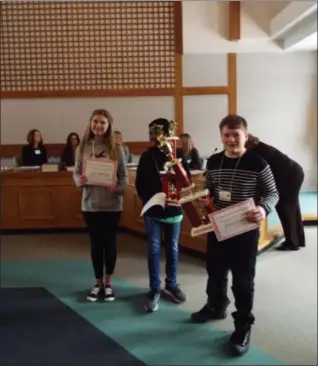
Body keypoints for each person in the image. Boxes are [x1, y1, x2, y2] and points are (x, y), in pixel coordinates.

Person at [190, 115, 279, 356]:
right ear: (221, 136)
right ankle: (216, 306)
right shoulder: (214, 161)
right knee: (215, 272)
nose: (231, 139)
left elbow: (272, 193)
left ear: (245, 136)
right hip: (218, 227)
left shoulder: (258, 162)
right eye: (226, 134)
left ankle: (243, 326)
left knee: (243, 281)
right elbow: (211, 188)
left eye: (236, 134)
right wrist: (203, 198)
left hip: (245, 230)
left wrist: (262, 208)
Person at [73, 109, 128, 302]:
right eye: (95, 121)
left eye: (103, 122)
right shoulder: (82, 147)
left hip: (112, 206)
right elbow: (76, 173)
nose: (98, 125)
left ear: (109, 125)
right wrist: (80, 180)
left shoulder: (117, 149)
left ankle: (109, 283)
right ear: (90, 124)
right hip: (90, 205)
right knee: (96, 246)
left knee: (110, 245)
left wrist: (117, 189)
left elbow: (124, 178)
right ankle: (97, 283)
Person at [135, 118, 188, 313]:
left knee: (173, 248)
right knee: (154, 248)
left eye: (155, 132)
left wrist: (176, 196)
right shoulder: (147, 156)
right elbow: (140, 183)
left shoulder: (178, 154)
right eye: (150, 132)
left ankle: (172, 284)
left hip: (174, 209)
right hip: (153, 209)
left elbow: (186, 180)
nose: (151, 136)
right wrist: (152, 199)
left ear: (166, 133)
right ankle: (154, 288)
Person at [246, 134, 305, 251]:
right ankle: (298, 239)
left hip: (288, 177)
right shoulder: (260, 147)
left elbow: (260, 172)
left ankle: (292, 243)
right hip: (294, 173)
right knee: (293, 209)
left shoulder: (255, 152)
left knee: (285, 209)